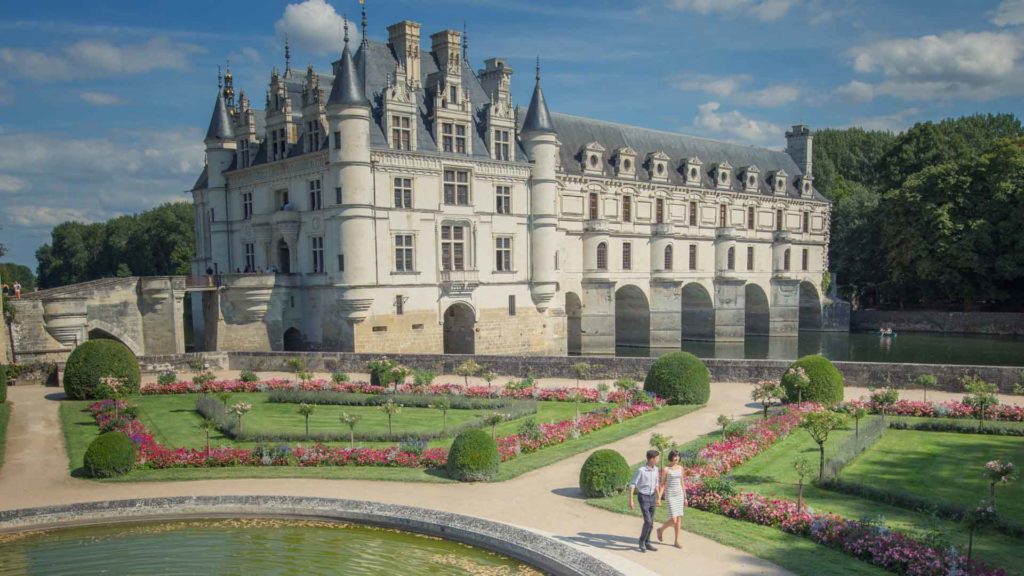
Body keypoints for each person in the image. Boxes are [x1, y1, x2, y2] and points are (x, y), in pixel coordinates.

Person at [628, 449, 661, 553]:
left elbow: (656, 484)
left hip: (652, 497)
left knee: (651, 522)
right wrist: (631, 500)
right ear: (651, 459)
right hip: (643, 497)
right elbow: (632, 484)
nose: (658, 459)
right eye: (657, 458)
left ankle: (647, 542)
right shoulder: (641, 470)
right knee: (648, 521)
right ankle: (641, 541)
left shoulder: (656, 469)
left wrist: (659, 497)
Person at [656, 449, 686, 548]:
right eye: (674, 456)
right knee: (673, 519)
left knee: (679, 518)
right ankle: (661, 529)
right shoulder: (666, 469)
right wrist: (659, 498)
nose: (676, 458)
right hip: (670, 495)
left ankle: (676, 541)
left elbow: (682, 483)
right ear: (671, 457)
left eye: (678, 456)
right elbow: (662, 485)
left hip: (679, 494)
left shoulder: (680, 468)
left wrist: (685, 497)